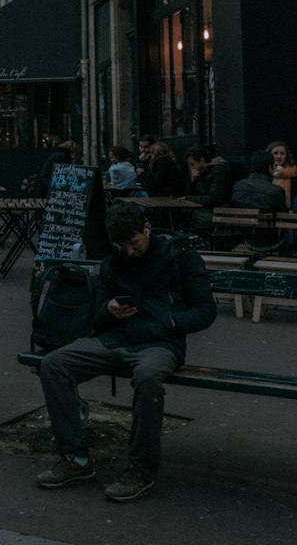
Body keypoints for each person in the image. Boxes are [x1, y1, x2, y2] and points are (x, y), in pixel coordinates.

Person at [35, 201, 216, 501]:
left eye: (134, 243)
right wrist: (109, 309)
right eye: (123, 245)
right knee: (54, 364)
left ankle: (140, 470)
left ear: (147, 229)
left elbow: (206, 311)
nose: (130, 251)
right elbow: (99, 308)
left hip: (160, 343)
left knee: (148, 377)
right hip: (117, 338)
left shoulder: (181, 254)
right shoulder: (116, 257)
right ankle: (77, 460)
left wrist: (170, 321)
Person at [185, 145, 230, 232]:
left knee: (186, 215)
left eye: (192, 164)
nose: (191, 168)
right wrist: (192, 182)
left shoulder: (218, 171)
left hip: (217, 212)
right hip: (206, 210)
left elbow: (214, 198)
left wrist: (188, 198)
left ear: (202, 160)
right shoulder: (202, 172)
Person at [265, 141, 297, 206]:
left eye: (282, 153)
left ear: (286, 156)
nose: (279, 156)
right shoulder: (264, 173)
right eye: (275, 153)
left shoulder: (294, 174)